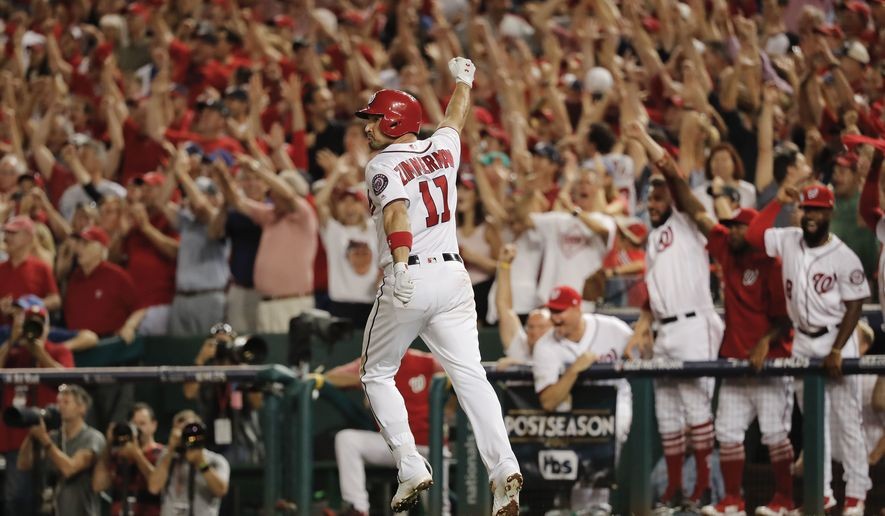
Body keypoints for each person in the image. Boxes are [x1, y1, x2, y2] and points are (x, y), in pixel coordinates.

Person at [354, 58, 522, 516]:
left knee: (375, 373)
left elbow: (396, 214)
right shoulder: (443, 148)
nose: (367, 128)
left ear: (392, 121)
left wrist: (403, 266)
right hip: (454, 278)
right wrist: (464, 81)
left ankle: (409, 463)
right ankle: (503, 467)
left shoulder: (382, 163)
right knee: (471, 376)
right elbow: (454, 117)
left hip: (412, 274)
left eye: (372, 119)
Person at [643, 133, 796, 515]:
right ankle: (729, 499)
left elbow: (784, 316)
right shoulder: (727, 250)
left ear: (756, 230)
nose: (735, 231)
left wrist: (766, 341)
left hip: (769, 357)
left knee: (775, 434)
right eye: (732, 227)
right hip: (731, 355)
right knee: (727, 432)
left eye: (742, 226)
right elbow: (704, 218)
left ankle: (785, 500)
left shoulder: (770, 263)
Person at [747, 180, 871, 514]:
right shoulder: (788, 240)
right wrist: (777, 202)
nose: (811, 215)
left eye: (818, 209)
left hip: (835, 338)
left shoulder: (843, 255)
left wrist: (838, 348)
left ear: (829, 211)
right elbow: (753, 236)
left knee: (848, 421)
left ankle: (857, 495)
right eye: (807, 208)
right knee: (814, 423)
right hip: (802, 339)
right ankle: (823, 493)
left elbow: (856, 303)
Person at [624, 124, 724, 512]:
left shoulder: (688, 219)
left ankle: (702, 488)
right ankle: (675, 490)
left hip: (695, 323)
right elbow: (652, 297)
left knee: (698, 411)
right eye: (649, 198)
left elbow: (674, 175)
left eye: (658, 195)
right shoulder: (653, 239)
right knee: (667, 412)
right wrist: (643, 328)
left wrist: (643, 139)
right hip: (666, 331)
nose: (652, 202)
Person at [321, 349, 449, 516]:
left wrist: (449, 409)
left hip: (429, 448)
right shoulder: (373, 361)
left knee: (438, 511)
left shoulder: (427, 361)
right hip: (395, 447)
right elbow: (329, 377)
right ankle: (358, 509)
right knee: (347, 440)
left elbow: (461, 374)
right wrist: (366, 378)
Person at [531, 286, 633, 450]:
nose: (555, 318)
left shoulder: (612, 327)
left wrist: (644, 340)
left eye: (560, 311)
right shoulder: (544, 346)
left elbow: (643, 354)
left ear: (578, 309)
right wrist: (574, 370)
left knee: (608, 447)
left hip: (613, 402)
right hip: (574, 412)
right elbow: (548, 402)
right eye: (552, 311)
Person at [0, 296, 75, 516]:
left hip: (48, 436)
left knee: (41, 502)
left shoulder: (57, 350)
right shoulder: (12, 353)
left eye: (36, 322)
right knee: (13, 500)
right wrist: (11, 341)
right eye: (26, 322)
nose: (30, 328)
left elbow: (66, 381)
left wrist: (39, 351)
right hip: (11, 437)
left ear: (47, 326)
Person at [17, 384, 106, 516]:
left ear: (82, 408)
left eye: (66, 402)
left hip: (82, 511)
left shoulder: (92, 437)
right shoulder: (53, 437)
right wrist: (32, 435)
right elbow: (23, 465)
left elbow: (69, 469)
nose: (60, 406)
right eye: (58, 402)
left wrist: (45, 440)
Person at [182, 323, 263, 464]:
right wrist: (200, 360)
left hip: (241, 441)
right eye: (217, 344)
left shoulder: (243, 371)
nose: (222, 348)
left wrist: (241, 365)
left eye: (225, 344)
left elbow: (257, 403)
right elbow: (189, 393)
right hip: (210, 440)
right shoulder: (204, 373)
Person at [148, 411, 230, 516]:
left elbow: (221, 490)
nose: (188, 437)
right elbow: (154, 488)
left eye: (192, 432)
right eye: (184, 432)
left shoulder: (215, 460)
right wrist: (170, 450)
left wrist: (201, 462)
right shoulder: (166, 458)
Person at [92, 403, 165, 516]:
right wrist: (109, 444)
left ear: (154, 425)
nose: (138, 429)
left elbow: (156, 486)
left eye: (142, 424)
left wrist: (137, 455)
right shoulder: (119, 455)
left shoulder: (161, 453)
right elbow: (98, 485)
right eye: (134, 424)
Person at [493, 244, 552, 367]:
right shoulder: (521, 346)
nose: (535, 332)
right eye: (531, 327)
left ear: (552, 329)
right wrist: (504, 265)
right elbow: (505, 307)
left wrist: (519, 364)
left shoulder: (561, 348)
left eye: (541, 327)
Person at [0, 215, 61, 322]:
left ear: (28, 237)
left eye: (13, 233)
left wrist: (33, 305)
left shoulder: (41, 267)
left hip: (32, 329)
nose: (7, 237)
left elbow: (55, 300)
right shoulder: (1, 268)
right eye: (7, 232)